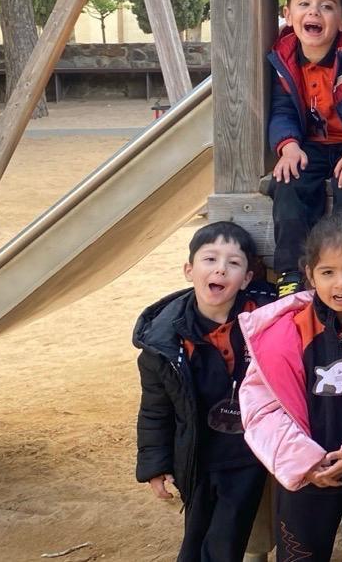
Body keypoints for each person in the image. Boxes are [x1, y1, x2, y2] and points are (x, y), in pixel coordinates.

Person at [237, 214, 342, 562]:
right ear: (310, 274)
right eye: (328, 272)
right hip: (307, 476)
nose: (341, 284)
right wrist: (304, 461)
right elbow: (260, 408)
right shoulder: (284, 331)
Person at [135, 221, 278, 562]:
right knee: (195, 535)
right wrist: (155, 465)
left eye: (233, 263)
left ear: (247, 278)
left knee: (225, 539)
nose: (220, 269)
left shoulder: (266, 320)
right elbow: (155, 410)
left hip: (246, 454)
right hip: (196, 452)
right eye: (210, 259)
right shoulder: (163, 343)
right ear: (189, 270)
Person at [266, 0, 342, 296]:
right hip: (310, 145)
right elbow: (282, 110)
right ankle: (292, 273)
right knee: (287, 183)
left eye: (326, 6)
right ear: (287, 14)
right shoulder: (283, 58)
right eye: (304, 3)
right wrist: (288, 146)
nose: (314, 11)